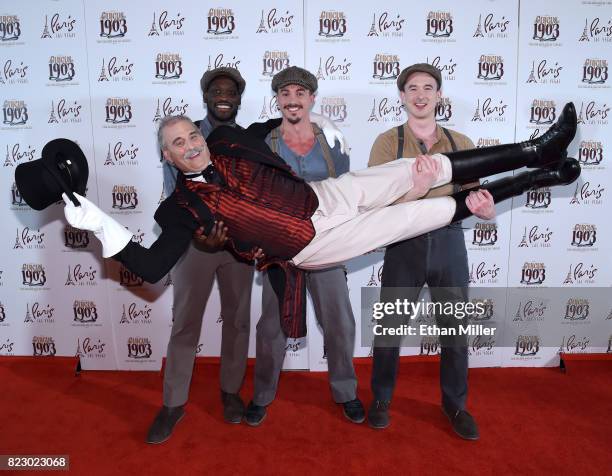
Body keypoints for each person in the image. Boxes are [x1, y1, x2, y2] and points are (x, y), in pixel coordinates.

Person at [61, 105, 579, 383]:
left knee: (414, 170)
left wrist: (307, 120)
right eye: (178, 143)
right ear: (169, 160)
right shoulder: (176, 211)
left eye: (190, 134)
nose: (190, 143)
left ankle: (538, 148)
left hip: (322, 195)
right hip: (312, 246)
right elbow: (151, 267)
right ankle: (542, 178)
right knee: (426, 214)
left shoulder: (225, 140)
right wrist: (101, 225)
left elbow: (269, 122)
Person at [367, 63, 493, 439]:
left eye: (428, 88)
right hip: (404, 243)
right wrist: (415, 191)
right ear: (402, 96)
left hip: (449, 241)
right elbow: (376, 203)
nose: (420, 95)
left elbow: (474, 195)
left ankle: (455, 405)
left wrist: (485, 211)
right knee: (389, 328)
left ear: (439, 95)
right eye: (412, 88)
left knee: (456, 330)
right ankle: (381, 399)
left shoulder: (461, 143)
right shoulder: (388, 143)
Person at [244, 67, 364, 427]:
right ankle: (262, 394)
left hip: (325, 242)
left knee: (339, 321)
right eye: (285, 93)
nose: (292, 99)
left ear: (312, 98)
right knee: (271, 325)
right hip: (281, 246)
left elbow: (346, 192)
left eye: (300, 92)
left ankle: (346, 391)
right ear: (277, 100)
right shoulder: (264, 142)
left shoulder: (333, 141)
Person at [149, 67, 252, 445]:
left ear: (238, 99)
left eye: (230, 91)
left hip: (238, 246)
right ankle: (173, 403)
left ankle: (230, 391)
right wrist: (199, 234)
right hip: (195, 246)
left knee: (239, 320)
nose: (223, 96)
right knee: (185, 324)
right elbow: (175, 195)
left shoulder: (247, 139)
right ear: (206, 97)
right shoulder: (184, 136)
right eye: (216, 91)